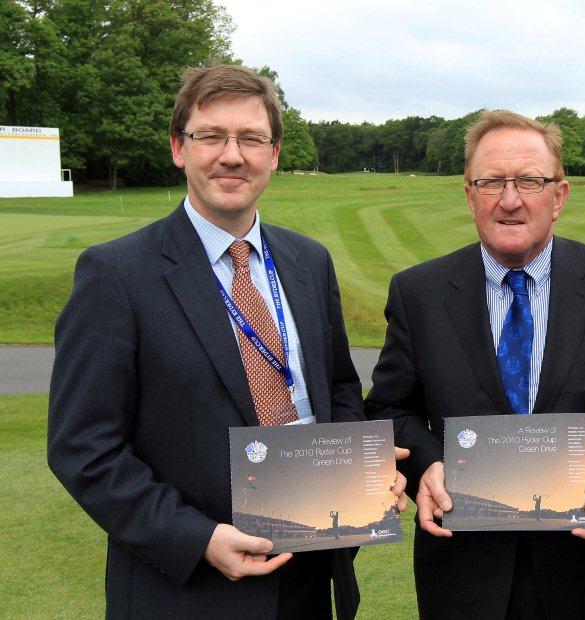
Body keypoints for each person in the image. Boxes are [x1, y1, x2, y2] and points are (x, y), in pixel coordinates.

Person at [47, 64, 405, 619]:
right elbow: (82, 447)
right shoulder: (116, 274)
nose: (231, 155)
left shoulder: (308, 262)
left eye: (251, 138)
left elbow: (337, 389)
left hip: (309, 578)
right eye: (211, 136)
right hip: (189, 591)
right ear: (178, 148)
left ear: (275, 153)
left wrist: (362, 468)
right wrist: (195, 538)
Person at [365, 110, 585, 619]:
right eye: (491, 182)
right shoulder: (419, 293)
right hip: (463, 572)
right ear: (469, 194)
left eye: (530, 181)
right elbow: (388, 407)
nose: (510, 200)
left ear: (560, 196)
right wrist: (427, 465)